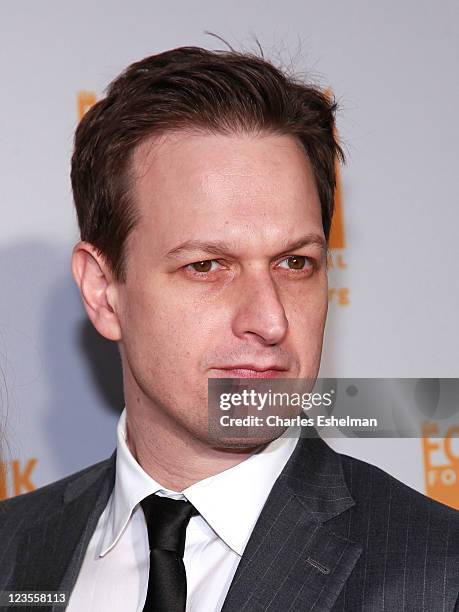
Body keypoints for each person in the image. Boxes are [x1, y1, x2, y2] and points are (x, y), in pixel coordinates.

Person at [0, 46, 457, 612]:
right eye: (206, 266)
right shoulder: (14, 552)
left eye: (295, 263)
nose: (270, 320)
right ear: (103, 291)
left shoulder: (439, 576)